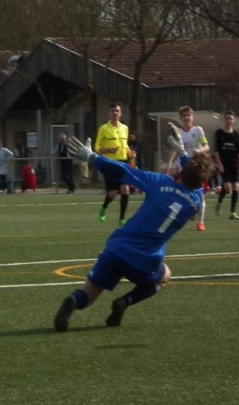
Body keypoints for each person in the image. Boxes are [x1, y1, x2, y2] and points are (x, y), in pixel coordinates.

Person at [53, 134, 214, 332]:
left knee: (89, 294)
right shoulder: (195, 203)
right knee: (165, 276)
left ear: (183, 172)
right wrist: (182, 154)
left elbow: (124, 171)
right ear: (202, 182)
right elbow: (195, 183)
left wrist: (93, 158)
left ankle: (73, 300)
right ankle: (126, 300)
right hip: (144, 261)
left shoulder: (160, 182)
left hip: (117, 248)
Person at [166, 106, 209, 231]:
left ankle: (201, 222)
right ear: (180, 118)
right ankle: (187, 213)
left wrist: (199, 150)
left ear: (192, 117)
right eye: (184, 116)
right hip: (183, 167)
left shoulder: (198, 130)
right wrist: (169, 164)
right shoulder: (178, 132)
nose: (186, 118)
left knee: (200, 194)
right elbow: (175, 148)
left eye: (188, 115)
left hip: (196, 166)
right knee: (180, 192)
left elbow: (206, 146)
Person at [94, 102, 131, 227]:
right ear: (109, 113)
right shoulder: (104, 129)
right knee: (113, 193)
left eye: (117, 111)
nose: (115, 113)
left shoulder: (125, 128)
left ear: (120, 113)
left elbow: (125, 146)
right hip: (109, 163)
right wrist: (108, 150)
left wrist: (130, 153)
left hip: (123, 162)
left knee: (125, 189)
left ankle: (122, 219)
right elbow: (96, 147)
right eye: (113, 111)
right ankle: (104, 207)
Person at [213, 111, 239, 220]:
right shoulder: (219, 133)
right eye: (227, 118)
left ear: (233, 120)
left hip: (234, 164)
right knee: (227, 186)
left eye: (231, 118)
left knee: (235, 187)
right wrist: (219, 163)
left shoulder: (235, 134)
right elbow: (216, 151)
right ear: (224, 120)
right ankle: (219, 203)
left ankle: (233, 212)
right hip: (224, 164)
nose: (229, 120)